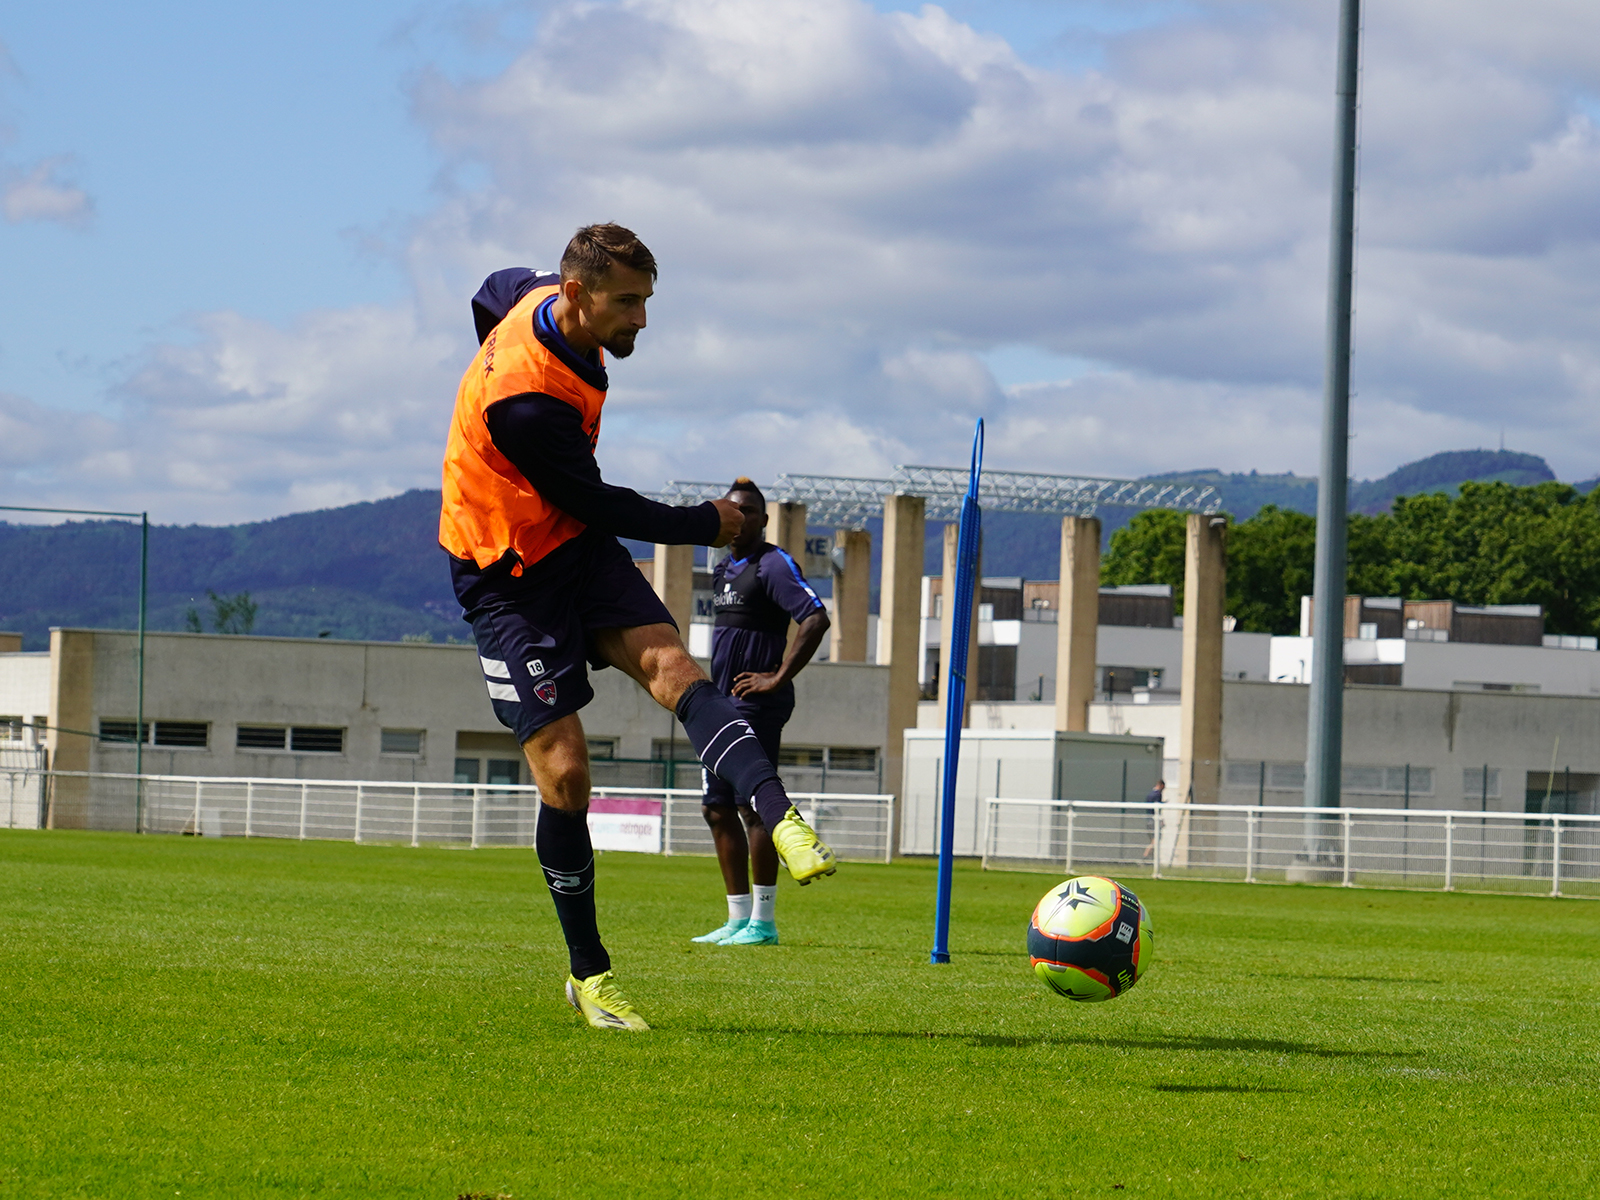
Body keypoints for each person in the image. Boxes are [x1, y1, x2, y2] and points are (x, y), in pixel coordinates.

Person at [439, 224, 837, 1032]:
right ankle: (590, 975)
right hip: (504, 574)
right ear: (580, 296)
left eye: (648, 300)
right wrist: (709, 522)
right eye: (628, 303)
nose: (642, 321)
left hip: (573, 549)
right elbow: (603, 504)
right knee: (567, 778)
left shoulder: (527, 290)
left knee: (676, 671)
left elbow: (487, 291)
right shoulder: (525, 404)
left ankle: (781, 813)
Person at [691, 479, 831, 947]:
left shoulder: (773, 564)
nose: (740, 518)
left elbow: (815, 618)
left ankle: (764, 924)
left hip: (757, 705)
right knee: (715, 808)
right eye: (733, 510)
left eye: (750, 511)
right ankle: (736, 919)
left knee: (751, 807)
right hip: (721, 705)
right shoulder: (722, 568)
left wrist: (776, 678)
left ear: (764, 520)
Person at [1141, 778, 1166, 861]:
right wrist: (1161, 820)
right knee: (1155, 840)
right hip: (1154, 820)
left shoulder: (1150, 794)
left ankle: (1150, 859)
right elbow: (1157, 809)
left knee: (1153, 840)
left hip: (1148, 820)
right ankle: (1145, 857)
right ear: (1161, 785)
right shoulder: (1158, 794)